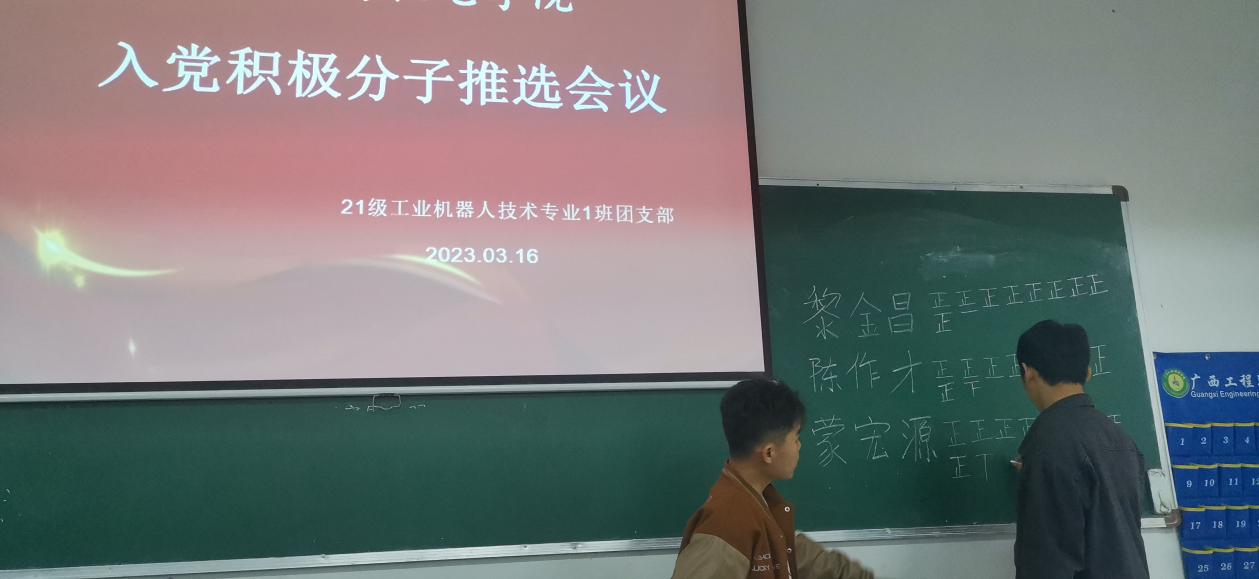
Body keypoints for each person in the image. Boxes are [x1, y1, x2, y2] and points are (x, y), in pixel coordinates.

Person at [671, 378, 874, 579]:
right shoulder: (726, 526)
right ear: (769, 453)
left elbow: (801, 557)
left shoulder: (762, 502)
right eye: (796, 438)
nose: (799, 446)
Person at [1013, 320, 1150, 579]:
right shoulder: (1119, 436)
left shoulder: (1048, 443)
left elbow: (1048, 560)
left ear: (1027, 371)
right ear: (1087, 372)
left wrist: (1040, 472)